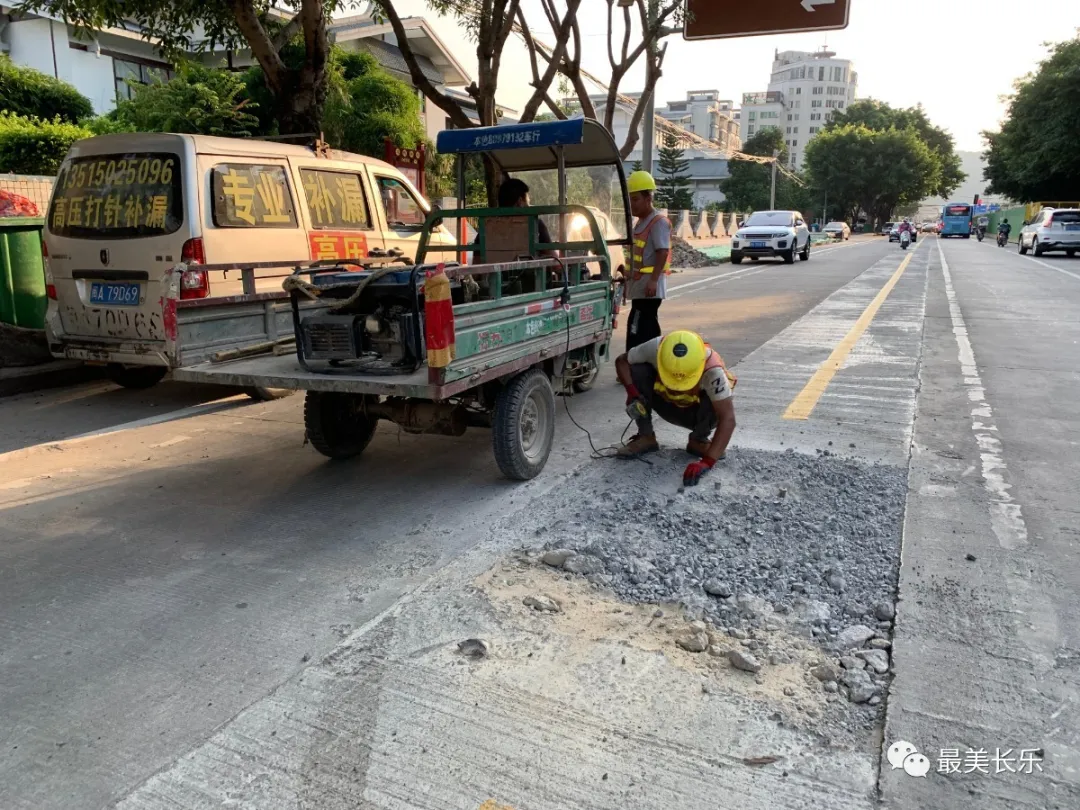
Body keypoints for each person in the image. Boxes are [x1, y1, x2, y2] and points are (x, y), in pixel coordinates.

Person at [615, 330, 737, 486]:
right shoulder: (656, 348)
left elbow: (728, 418)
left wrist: (707, 462)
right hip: (665, 404)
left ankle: (698, 440)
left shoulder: (713, 370)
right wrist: (632, 392)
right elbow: (621, 361)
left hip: (696, 414)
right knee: (638, 370)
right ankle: (646, 436)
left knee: (719, 403)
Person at [624, 170, 671, 353]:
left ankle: (637, 365)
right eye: (630, 199)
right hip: (640, 286)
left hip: (649, 288)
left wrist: (653, 279)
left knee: (639, 326)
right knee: (644, 326)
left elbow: (662, 251)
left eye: (635, 199)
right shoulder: (641, 222)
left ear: (648, 199)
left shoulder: (658, 222)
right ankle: (643, 364)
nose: (632, 204)